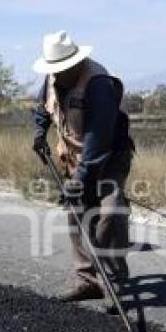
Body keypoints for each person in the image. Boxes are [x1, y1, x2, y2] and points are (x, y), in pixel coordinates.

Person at [31, 30, 134, 302]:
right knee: (77, 212)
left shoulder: (97, 83)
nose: (57, 74)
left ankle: (113, 281)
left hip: (110, 156)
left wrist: (81, 179)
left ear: (76, 62)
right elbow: (43, 107)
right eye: (54, 70)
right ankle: (87, 279)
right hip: (75, 157)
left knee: (110, 212)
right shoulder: (53, 78)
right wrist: (39, 133)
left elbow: (97, 140)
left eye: (62, 69)